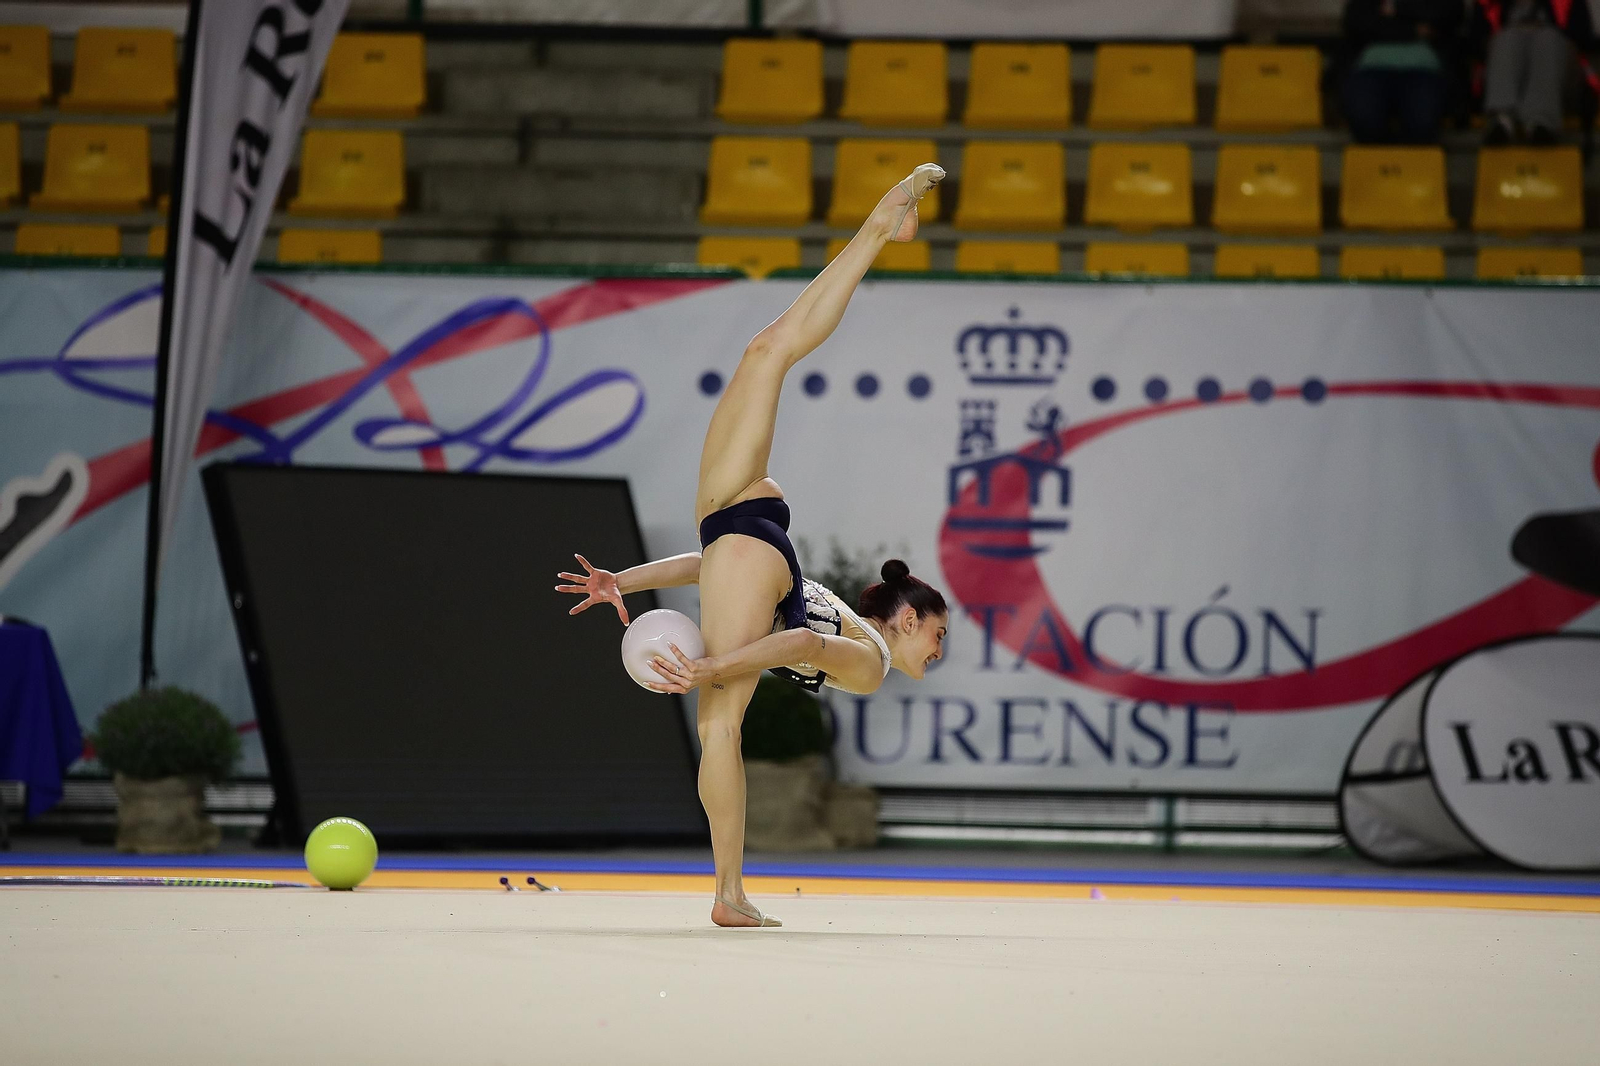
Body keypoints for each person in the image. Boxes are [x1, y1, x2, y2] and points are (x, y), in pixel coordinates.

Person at [556, 164, 951, 929]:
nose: (937, 652)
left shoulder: (869, 670)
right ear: (909, 617)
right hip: (750, 540)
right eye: (937, 637)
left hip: (747, 538)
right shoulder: (870, 650)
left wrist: (708, 663)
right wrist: (628, 585)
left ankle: (729, 893)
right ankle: (879, 228)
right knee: (767, 350)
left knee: (767, 351)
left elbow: (783, 629)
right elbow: (758, 602)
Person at [1338, 0, 1465, 144]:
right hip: (1371, 69)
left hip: (1425, 70)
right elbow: (1357, 21)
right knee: (1364, 119)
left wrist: (1398, 8)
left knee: (1423, 123)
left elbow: (1449, 14)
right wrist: (1414, 29)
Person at [1470, 0, 1596, 144]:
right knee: (1506, 38)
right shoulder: (1487, 3)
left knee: (1548, 39)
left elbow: (1583, 38)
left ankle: (1541, 122)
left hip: (1562, 84)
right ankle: (1501, 119)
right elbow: (1475, 42)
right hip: (1505, 72)